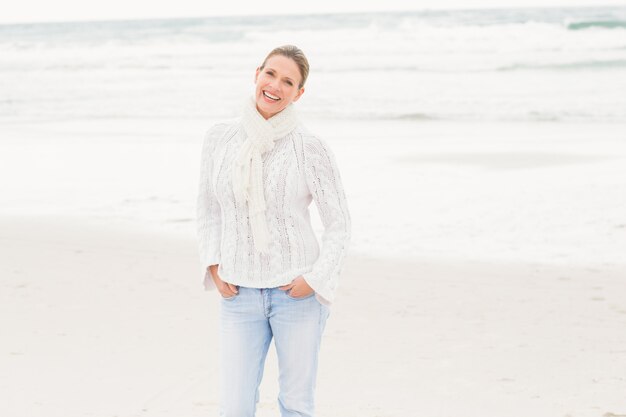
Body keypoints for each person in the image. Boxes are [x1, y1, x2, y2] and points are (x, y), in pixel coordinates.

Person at [196, 44, 351, 417]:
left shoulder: (309, 147)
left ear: (299, 93)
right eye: (270, 74)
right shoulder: (220, 139)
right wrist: (213, 264)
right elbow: (208, 208)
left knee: (295, 405)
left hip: (296, 294)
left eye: (288, 82)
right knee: (234, 407)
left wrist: (315, 280)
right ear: (257, 74)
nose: (275, 86)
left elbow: (339, 223)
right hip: (238, 294)